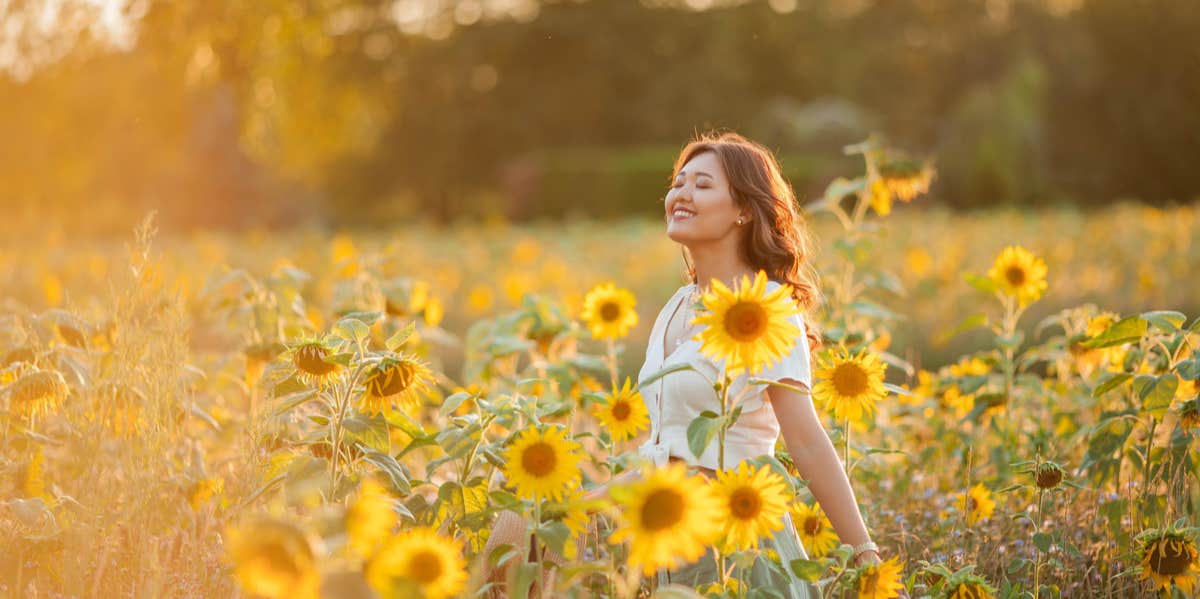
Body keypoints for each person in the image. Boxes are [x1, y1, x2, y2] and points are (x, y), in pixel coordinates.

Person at [583, 130, 899, 595]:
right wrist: (582, 505)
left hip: (741, 549)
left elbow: (806, 440)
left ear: (744, 209)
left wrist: (866, 555)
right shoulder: (677, 306)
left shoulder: (764, 310)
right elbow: (665, 454)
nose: (681, 194)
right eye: (679, 182)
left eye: (703, 185)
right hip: (670, 549)